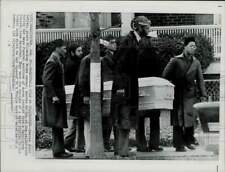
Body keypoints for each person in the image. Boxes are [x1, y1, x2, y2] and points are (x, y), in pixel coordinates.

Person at [69, 39, 117, 158]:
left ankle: (90, 149)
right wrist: (85, 95)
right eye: (101, 48)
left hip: (90, 95)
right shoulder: (88, 60)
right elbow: (83, 79)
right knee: (89, 123)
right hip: (86, 96)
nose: (103, 50)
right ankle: (90, 150)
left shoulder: (92, 59)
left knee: (90, 122)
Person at [111, 16, 151, 157]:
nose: (148, 29)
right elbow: (119, 65)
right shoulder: (128, 42)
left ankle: (122, 149)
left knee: (126, 118)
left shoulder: (134, 41)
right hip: (124, 87)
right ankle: (122, 150)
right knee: (124, 118)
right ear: (137, 27)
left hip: (129, 85)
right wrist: (121, 87)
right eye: (145, 27)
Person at [162, 36, 207, 152]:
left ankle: (189, 141)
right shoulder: (175, 60)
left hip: (190, 94)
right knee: (178, 119)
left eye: (195, 46)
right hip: (177, 94)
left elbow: (200, 79)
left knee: (189, 118)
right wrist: (171, 86)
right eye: (191, 46)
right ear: (185, 46)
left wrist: (203, 95)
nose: (193, 48)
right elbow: (165, 76)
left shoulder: (196, 62)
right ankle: (178, 144)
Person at [42, 39, 73, 158]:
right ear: (57, 48)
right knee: (57, 124)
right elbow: (47, 81)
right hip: (54, 99)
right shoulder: (52, 61)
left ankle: (60, 150)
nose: (66, 51)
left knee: (58, 124)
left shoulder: (56, 60)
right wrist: (54, 96)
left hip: (57, 97)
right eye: (64, 48)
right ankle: (58, 151)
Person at [136, 36, 163, 152]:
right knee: (155, 118)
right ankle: (154, 144)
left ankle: (141, 145)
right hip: (154, 89)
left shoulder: (137, 56)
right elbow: (160, 72)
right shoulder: (156, 56)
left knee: (140, 120)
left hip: (141, 88)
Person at [64, 44, 85, 152]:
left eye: (81, 50)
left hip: (72, 94)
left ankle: (73, 145)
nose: (81, 52)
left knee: (76, 121)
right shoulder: (74, 64)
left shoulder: (71, 62)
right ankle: (68, 144)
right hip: (73, 94)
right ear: (72, 52)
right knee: (75, 121)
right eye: (79, 50)